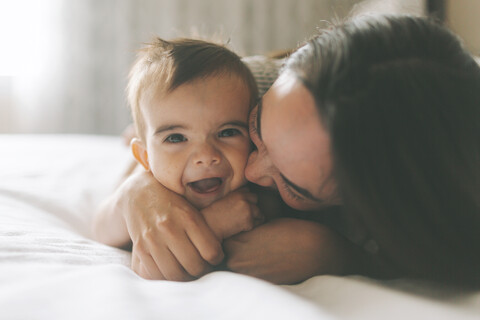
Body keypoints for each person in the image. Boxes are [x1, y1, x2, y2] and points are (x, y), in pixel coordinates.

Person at [99, 15, 480, 286]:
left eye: (294, 186)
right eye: (255, 128)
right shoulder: (260, 84)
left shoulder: (438, 210)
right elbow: (155, 129)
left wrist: (342, 256)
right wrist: (141, 191)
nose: (249, 172)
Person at [93, 38, 276, 280]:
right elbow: (103, 229)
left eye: (228, 132)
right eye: (177, 138)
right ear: (146, 157)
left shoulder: (258, 198)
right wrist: (213, 224)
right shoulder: (147, 186)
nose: (206, 156)